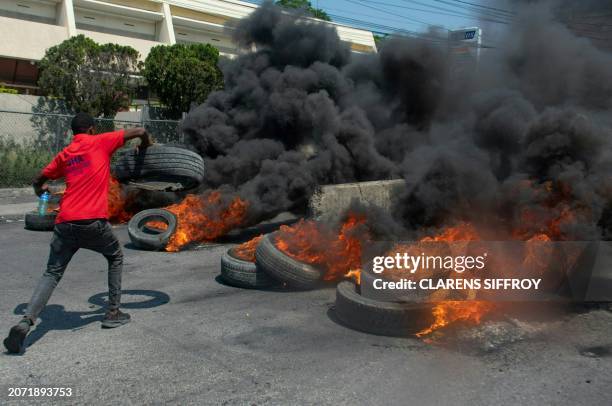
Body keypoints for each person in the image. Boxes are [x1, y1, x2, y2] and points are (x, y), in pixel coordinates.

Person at [3, 113, 152, 354]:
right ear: (92, 129)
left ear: (74, 132)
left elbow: (38, 180)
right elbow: (140, 131)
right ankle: (113, 312)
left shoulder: (66, 154)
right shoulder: (100, 141)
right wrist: (146, 148)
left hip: (64, 223)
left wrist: (43, 191)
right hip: (93, 222)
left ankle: (26, 322)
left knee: (52, 273)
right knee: (115, 257)